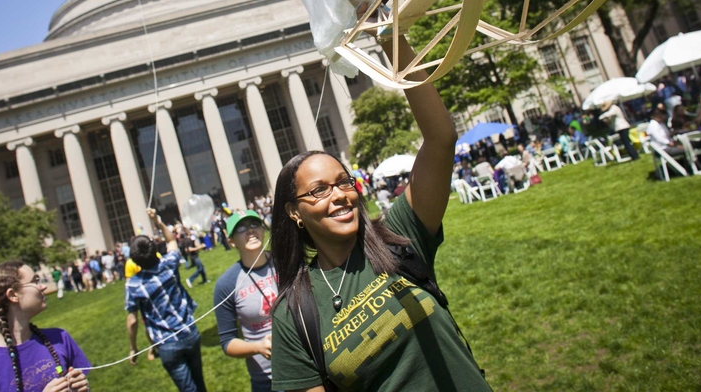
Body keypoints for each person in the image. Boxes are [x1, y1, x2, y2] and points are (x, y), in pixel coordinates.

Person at [269, 35, 489, 391]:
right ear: (294, 212)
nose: (340, 195)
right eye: (320, 189)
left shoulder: (399, 237)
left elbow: (440, 137)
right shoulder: (294, 314)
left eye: (344, 182)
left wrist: (389, 33)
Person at [0, 261, 90, 392]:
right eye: (35, 281)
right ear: (13, 295)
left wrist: (82, 388)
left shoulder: (59, 338)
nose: (43, 286)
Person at [126, 208, 207, 392]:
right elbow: (171, 240)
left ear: (134, 261)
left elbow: (132, 321)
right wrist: (157, 221)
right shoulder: (169, 264)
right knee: (199, 385)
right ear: (155, 251)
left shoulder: (133, 285)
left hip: (167, 344)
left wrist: (133, 348)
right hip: (189, 333)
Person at [213, 210, 277, 392]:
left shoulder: (285, 260)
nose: (250, 230)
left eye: (254, 224)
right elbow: (227, 342)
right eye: (241, 228)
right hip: (267, 379)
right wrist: (258, 347)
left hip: (306, 363)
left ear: (263, 230)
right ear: (231, 241)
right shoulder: (226, 284)